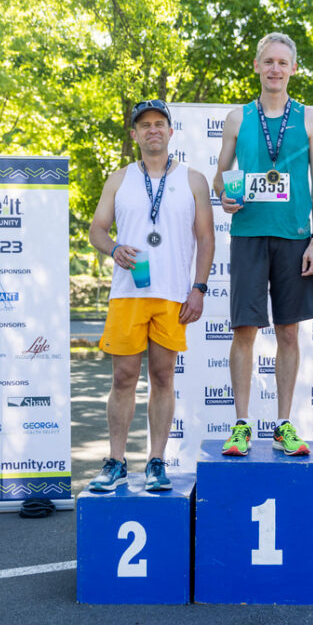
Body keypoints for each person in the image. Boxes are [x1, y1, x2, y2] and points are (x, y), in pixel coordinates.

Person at [88, 99, 215, 492]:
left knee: (163, 376)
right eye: (145, 125)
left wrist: (199, 288)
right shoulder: (118, 179)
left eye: (160, 123)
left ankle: (156, 461)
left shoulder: (193, 179)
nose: (153, 130)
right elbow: (97, 230)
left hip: (173, 294)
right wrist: (113, 249)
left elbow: (206, 238)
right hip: (128, 293)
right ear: (135, 135)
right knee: (123, 377)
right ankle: (116, 461)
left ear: (171, 131)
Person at [212, 32, 313, 456]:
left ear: (293, 68)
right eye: (269, 61)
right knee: (244, 330)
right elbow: (220, 177)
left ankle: (283, 426)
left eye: (283, 62)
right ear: (257, 66)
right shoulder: (237, 118)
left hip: (294, 237)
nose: (275, 69)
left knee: (288, 333)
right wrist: (224, 196)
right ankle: (241, 425)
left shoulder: (310, 119)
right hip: (248, 234)